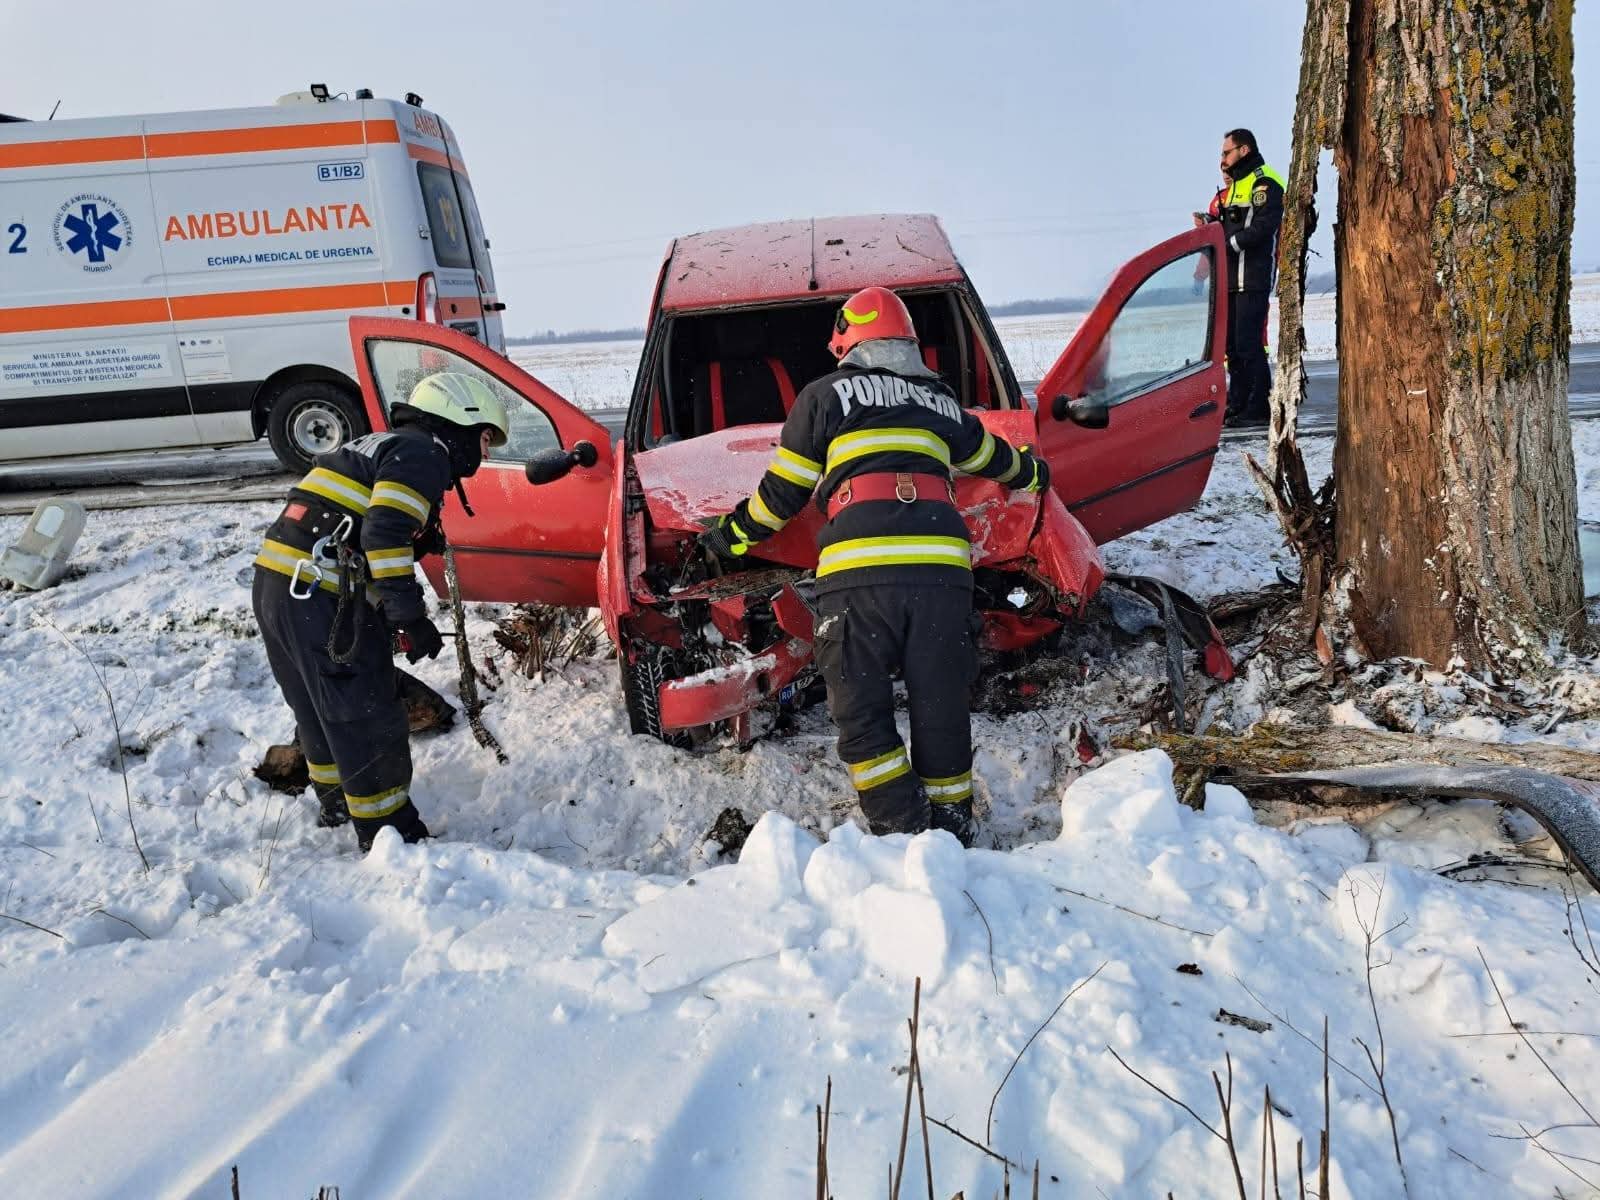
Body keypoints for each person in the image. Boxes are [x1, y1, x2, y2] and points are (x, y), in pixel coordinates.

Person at [697, 287, 1048, 847]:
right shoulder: (941, 403)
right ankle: (952, 831)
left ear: (847, 344)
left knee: (862, 713)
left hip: (859, 576)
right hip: (942, 574)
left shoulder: (824, 396)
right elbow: (1000, 461)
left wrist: (730, 536)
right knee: (940, 704)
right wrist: (1035, 472)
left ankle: (903, 830)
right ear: (909, 344)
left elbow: (780, 498)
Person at [251, 372, 509, 852]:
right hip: (321, 596)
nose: (485, 454)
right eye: (484, 439)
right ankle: (391, 835)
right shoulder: (425, 453)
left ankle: (336, 804)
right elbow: (384, 533)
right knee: (366, 714)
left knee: (319, 707)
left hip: (280, 585)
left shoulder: (382, 444)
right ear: (461, 421)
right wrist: (408, 617)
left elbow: (367, 522)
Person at [1196, 128, 1284, 426]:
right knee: (1232, 347)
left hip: (1252, 278)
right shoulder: (1235, 186)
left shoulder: (1264, 181)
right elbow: (1231, 224)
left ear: (1243, 150)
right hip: (1230, 280)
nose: (1223, 159)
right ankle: (1237, 402)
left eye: (1226, 152)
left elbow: (1264, 227)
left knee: (1249, 344)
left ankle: (1258, 407)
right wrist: (1210, 224)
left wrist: (1229, 244)